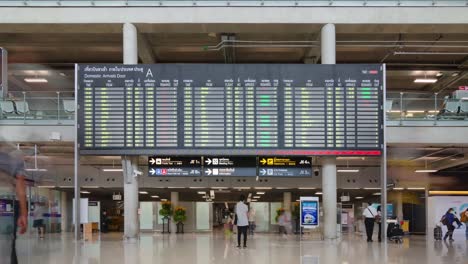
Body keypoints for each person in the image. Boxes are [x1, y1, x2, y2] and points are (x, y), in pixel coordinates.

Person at [0, 148, 28, 264]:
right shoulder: (14, 159)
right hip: (6, 205)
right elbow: (20, 187)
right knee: (7, 246)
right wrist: (24, 213)